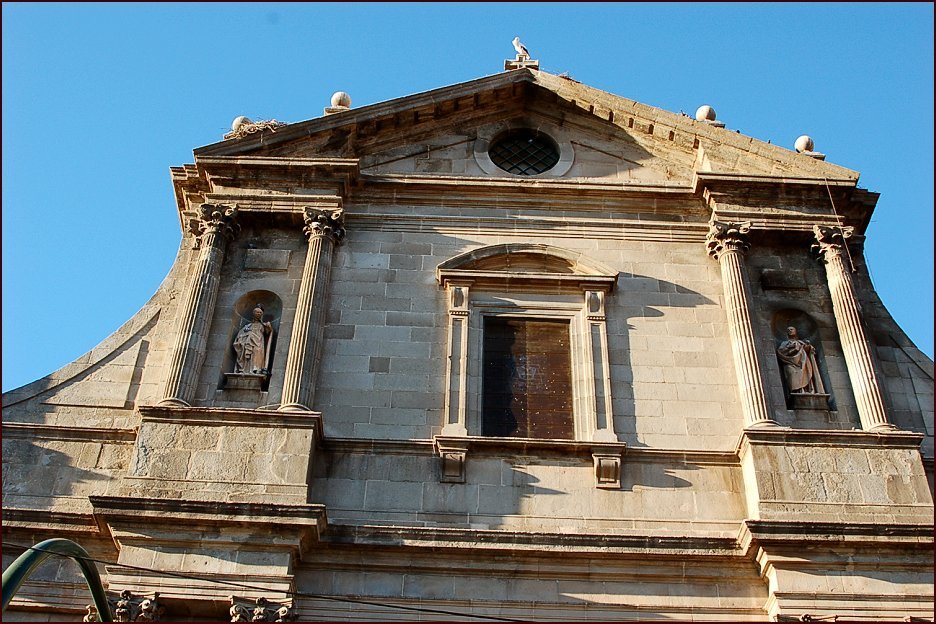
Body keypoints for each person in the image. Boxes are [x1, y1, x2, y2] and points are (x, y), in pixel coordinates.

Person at [777, 326, 825, 394]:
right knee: (791, 374)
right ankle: (796, 392)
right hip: (790, 363)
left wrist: (808, 346)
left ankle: (805, 390)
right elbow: (780, 352)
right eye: (788, 330)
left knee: (805, 373)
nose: (790, 331)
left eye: (792, 329)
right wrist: (789, 348)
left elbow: (808, 350)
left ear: (795, 331)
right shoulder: (784, 343)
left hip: (802, 362)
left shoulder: (800, 342)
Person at [233, 305, 272, 374]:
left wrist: (269, 327)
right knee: (247, 354)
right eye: (257, 312)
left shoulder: (263, 325)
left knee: (256, 354)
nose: (258, 314)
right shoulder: (248, 326)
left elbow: (267, 333)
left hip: (258, 343)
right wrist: (242, 339)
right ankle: (245, 369)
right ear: (253, 313)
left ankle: (256, 369)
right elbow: (240, 335)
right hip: (247, 343)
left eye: (260, 312)